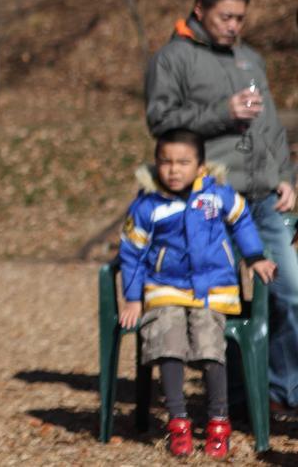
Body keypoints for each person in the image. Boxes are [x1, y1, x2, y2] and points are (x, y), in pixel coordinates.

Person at [145, 0, 298, 415]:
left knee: (290, 291)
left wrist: (285, 176)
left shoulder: (250, 59)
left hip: (264, 198)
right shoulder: (172, 58)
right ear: (200, 11)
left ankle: (282, 393)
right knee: (223, 300)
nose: (234, 26)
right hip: (209, 201)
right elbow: (161, 121)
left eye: (241, 18)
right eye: (226, 16)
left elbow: (269, 125)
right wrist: (220, 112)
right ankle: (231, 403)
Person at [118, 129, 276, 458]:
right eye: (166, 162)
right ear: (156, 164)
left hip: (212, 289)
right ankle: (178, 421)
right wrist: (133, 297)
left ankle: (219, 421)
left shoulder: (217, 195)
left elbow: (242, 220)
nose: (173, 170)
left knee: (208, 343)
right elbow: (132, 252)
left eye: (183, 162)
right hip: (165, 288)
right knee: (166, 338)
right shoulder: (149, 205)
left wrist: (255, 256)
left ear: (200, 165)